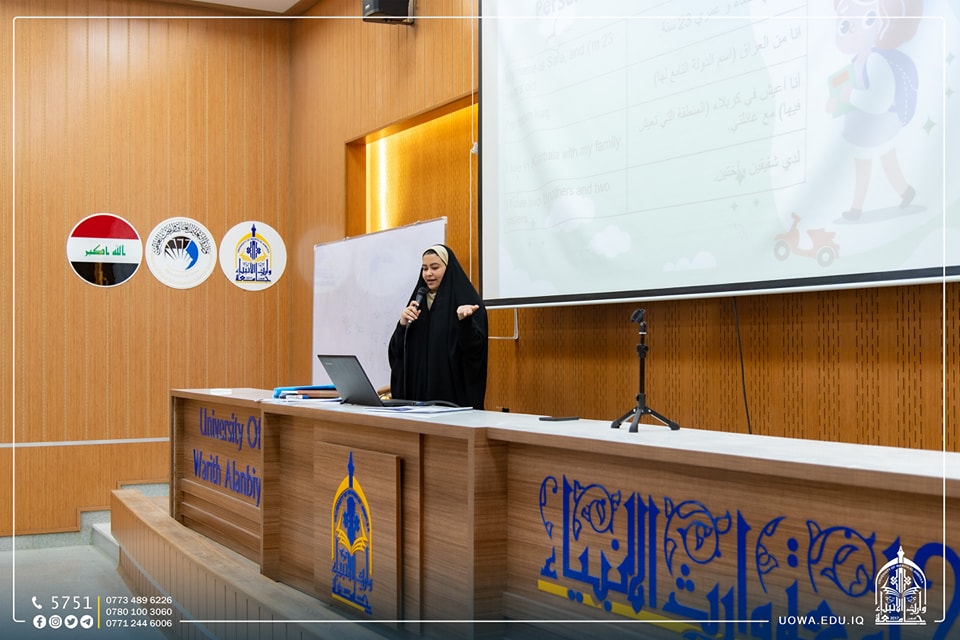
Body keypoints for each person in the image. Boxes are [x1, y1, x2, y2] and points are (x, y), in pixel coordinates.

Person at [388, 244, 488, 409]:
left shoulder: (467, 302)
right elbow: (397, 353)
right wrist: (402, 325)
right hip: (417, 403)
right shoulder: (417, 303)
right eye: (424, 268)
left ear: (448, 269)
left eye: (435, 268)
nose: (428, 274)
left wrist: (465, 323)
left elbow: (475, 353)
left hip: (451, 403)